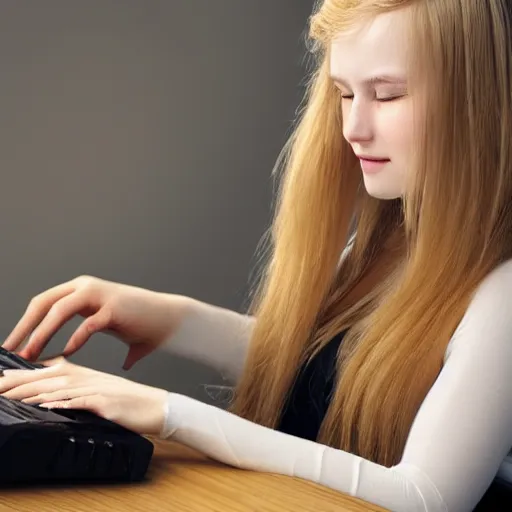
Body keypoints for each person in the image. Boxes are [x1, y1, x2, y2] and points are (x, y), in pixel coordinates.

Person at [1, 0, 512, 510]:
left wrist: (171, 413)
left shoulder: (503, 291)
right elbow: (323, 366)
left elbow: (426, 497)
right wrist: (172, 319)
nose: (353, 127)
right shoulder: (390, 241)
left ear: (478, 100)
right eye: (344, 93)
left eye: (388, 95)